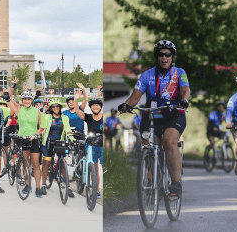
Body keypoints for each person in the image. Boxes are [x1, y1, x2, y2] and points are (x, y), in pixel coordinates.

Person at [117, 40, 191, 197]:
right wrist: (126, 105)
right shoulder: (147, 75)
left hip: (173, 113)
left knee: (169, 141)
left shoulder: (179, 72)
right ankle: (152, 179)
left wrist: (184, 101)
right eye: (160, 55)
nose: (164, 58)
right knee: (148, 144)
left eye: (167, 55)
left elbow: (185, 90)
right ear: (156, 57)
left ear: (172, 57)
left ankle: (176, 184)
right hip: (152, 114)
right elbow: (135, 97)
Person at [5, 86, 47, 197]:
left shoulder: (37, 111)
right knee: (25, 163)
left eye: (29, 99)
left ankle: (38, 188)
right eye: (25, 99)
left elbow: (42, 127)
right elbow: (8, 99)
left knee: (36, 164)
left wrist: (36, 135)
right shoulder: (19, 109)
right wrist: (12, 86)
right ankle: (28, 185)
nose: (27, 101)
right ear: (23, 101)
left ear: (31, 100)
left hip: (34, 139)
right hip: (23, 140)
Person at [75, 83, 104, 199]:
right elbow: (77, 111)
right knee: (94, 169)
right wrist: (76, 100)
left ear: (101, 107)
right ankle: (96, 190)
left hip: (102, 145)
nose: (95, 107)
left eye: (97, 106)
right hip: (91, 144)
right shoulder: (88, 117)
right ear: (91, 107)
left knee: (103, 167)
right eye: (93, 106)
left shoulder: (103, 117)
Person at [43, 98, 73, 198]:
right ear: (51, 108)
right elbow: (42, 128)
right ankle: (43, 185)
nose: (56, 108)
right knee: (46, 163)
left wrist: (73, 139)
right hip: (49, 142)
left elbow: (68, 130)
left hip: (60, 142)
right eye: (53, 107)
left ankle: (68, 188)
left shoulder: (65, 118)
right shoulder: (47, 117)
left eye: (57, 106)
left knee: (63, 165)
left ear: (60, 107)